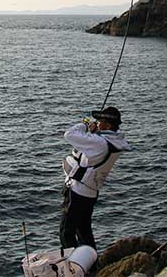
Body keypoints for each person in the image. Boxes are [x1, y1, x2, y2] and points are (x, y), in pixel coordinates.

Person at [59, 106, 130, 250]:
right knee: (84, 232)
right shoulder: (112, 141)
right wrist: (94, 133)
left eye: (100, 121)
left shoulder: (99, 143)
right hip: (90, 194)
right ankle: (91, 265)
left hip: (78, 192)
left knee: (66, 233)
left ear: (108, 125)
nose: (97, 123)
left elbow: (69, 134)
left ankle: (75, 267)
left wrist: (84, 125)